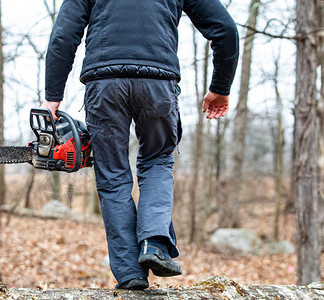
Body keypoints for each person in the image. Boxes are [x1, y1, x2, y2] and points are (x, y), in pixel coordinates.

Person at [41, 0, 239, 290]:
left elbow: (64, 34)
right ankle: (154, 244)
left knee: (112, 177)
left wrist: (52, 95)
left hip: (104, 83)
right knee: (157, 160)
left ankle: (130, 273)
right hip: (158, 82)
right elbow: (225, 29)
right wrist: (220, 88)